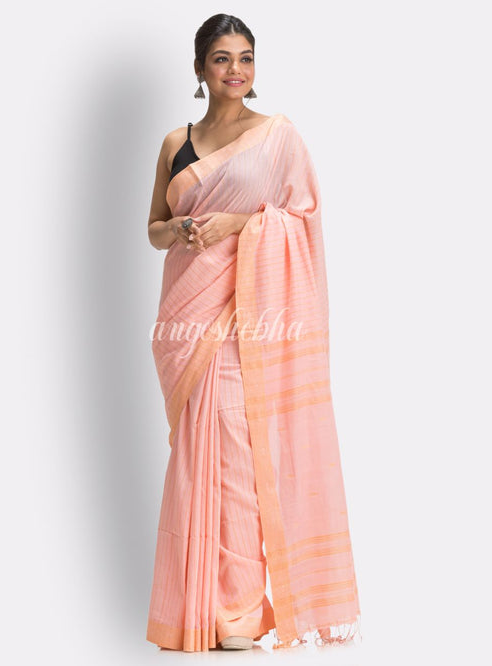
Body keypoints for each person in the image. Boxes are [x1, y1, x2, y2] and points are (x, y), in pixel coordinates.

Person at [146, 13, 362, 653]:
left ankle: (239, 612)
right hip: (186, 317)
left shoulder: (276, 137)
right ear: (199, 68)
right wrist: (181, 230)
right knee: (195, 460)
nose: (235, 70)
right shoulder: (176, 142)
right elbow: (154, 227)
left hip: (247, 316)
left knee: (239, 454)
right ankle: (196, 610)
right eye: (221, 58)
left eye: (245, 58)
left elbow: (303, 217)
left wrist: (238, 224)